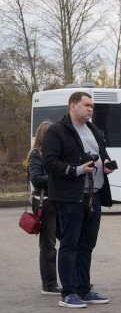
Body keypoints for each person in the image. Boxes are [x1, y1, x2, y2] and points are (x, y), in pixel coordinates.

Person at [43, 91, 114, 309]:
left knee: (87, 245)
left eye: (92, 106)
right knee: (69, 244)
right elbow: (50, 163)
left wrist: (107, 163)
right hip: (70, 196)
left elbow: (102, 155)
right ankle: (68, 293)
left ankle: (84, 289)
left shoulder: (95, 131)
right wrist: (77, 170)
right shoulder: (57, 131)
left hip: (94, 195)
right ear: (72, 106)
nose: (90, 109)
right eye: (86, 105)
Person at [28, 120, 61, 295]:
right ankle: (49, 284)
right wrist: (59, 177)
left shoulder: (56, 155)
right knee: (48, 245)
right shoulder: (36, 155)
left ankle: (74, 280)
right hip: (45, 202)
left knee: (71, 242)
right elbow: (36, 179)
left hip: (59, 201)